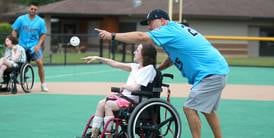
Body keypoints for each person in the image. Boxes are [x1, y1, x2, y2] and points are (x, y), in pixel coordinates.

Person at [95, 9, 229, 138]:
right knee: (208, 111)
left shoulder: (169, 29)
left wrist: (112, 35)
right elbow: (172, 58)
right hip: (215, 70)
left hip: (210, 72)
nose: (149, 27)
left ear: (162, 20)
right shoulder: (175, 32)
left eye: (150, 22)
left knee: (189, 108)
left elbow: (142, 37)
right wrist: (157, 70)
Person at [81, 43, 157, 138]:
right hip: (125, 98)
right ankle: (94, 133)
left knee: (108, 105)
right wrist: (98, 58)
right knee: (101, 103)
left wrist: (124, 86)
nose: (134, 52)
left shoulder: (149, 69)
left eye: (137, 50)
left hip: (135, 101)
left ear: (144, 55)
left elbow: (136, 87)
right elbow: (115, 63)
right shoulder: (134, 66)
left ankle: (108, 135)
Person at [11, 4, 48, 92]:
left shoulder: (41, 21)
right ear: (28, 9)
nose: (33, 10)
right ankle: (14, 79)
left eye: (35, 9)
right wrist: (15, 44)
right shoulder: (21, 19)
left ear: (37, 11)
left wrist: (38, 45)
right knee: (17, 62)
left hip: (34, 46)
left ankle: (43, 84)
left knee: (40, 63)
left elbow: (43, 35)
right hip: (22, 45)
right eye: (32, 9)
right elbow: (14, 31)